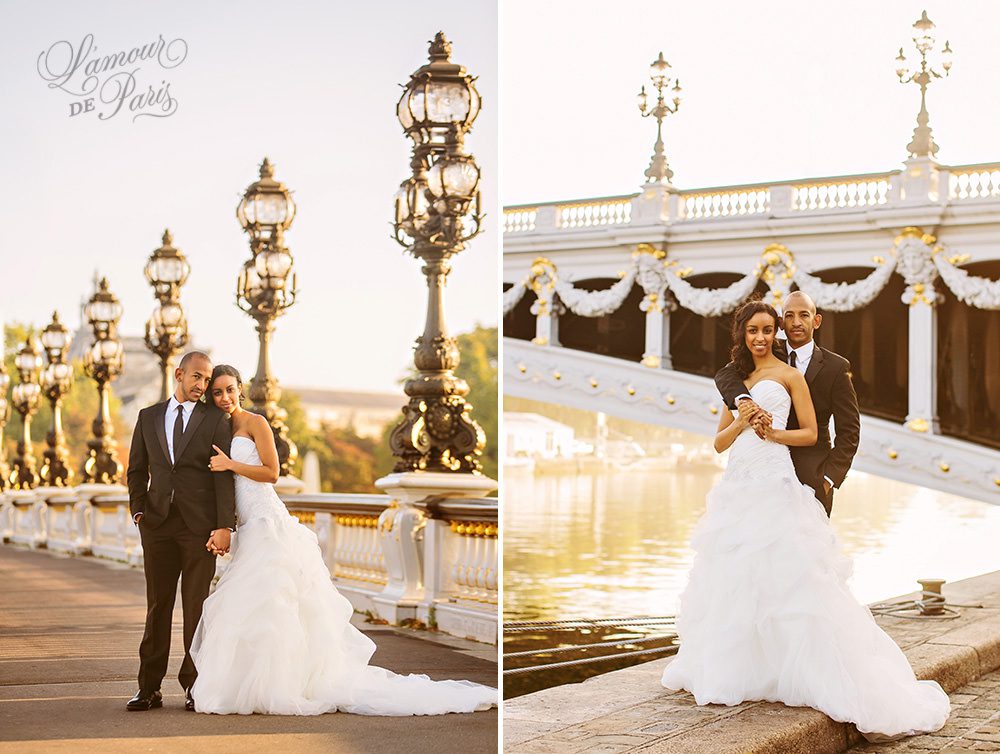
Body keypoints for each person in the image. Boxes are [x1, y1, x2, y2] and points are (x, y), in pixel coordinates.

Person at [660, 299, 950, 740]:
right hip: (739, 482)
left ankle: (802, 667)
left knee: (793, 575)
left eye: (767, 330)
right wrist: (742, 420)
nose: (762, 337)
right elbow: (718, 442)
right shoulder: (735, 380)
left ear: (787, 328)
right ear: (744, 335)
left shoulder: (798, 374)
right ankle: (749, 666)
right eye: (754, 330)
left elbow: (817, 432)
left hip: (782, 477)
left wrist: (776, 435)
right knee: (737, 574)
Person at [188, 364, 498, 716]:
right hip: (246, 525)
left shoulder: (255, 422)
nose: (224, 397)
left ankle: (285, 685)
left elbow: (272, 473)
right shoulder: (219, 428)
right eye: (217, 392)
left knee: (275, 602)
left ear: (240, 390)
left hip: (267, 521)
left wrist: (231, 465)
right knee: (251, 607)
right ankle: (255, 684)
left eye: (230, 390)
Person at [125, 351, 236, 712]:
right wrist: (139, 512)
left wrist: (224, 525)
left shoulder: (214, 419)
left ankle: (194, 687)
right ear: (179, 374)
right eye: (197, 377)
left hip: (198, 528)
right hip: (157, 525)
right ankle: (148, 688)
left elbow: (222, 476)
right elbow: (136, 470)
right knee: (158, 606)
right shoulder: (148, 417)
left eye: (206, 379)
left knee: (195, 608)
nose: (202, 385)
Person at [714, 290, 860, 516]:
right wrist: (744, 401)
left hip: (812, 475)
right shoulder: (765, 349)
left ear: (816, 321)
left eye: (804, 315)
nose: (796, 322)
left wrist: (828, 479)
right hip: (758, 468)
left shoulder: (836, 367)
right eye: (789, 316)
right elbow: (726, 375)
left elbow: (849, 430)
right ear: (781, 323)